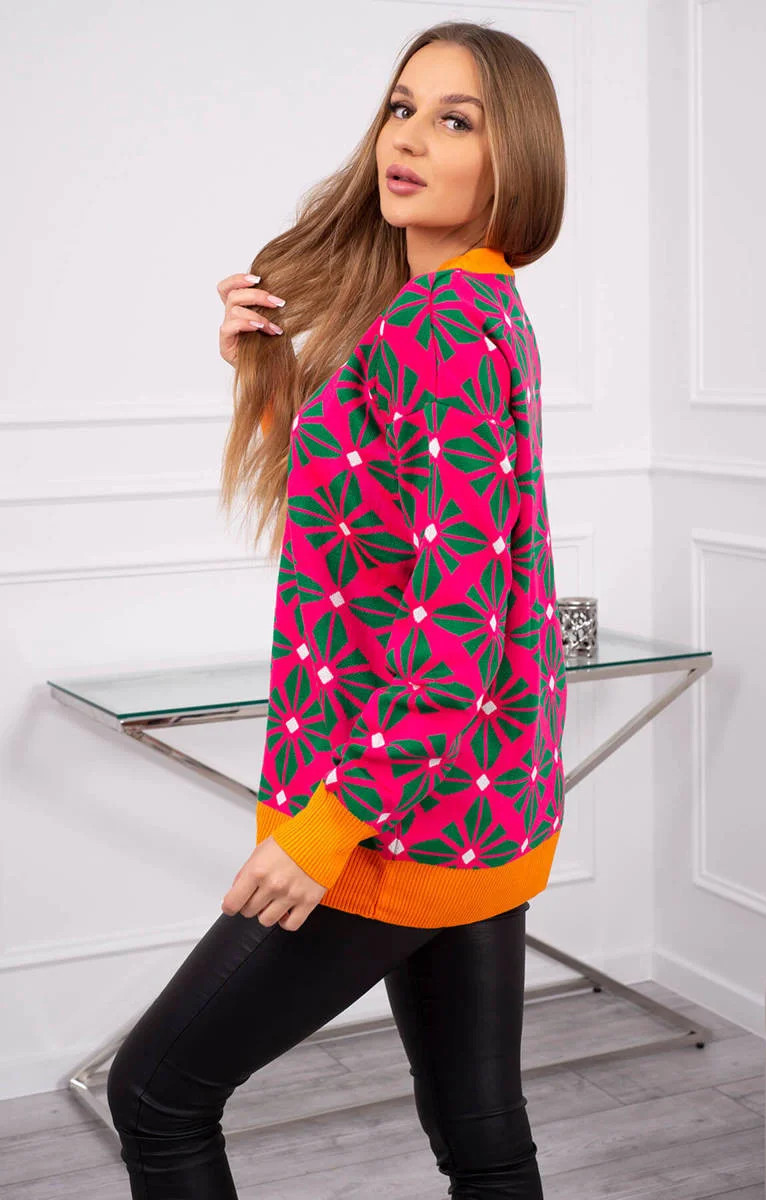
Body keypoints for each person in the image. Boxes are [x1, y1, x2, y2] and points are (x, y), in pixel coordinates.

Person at [106, 18, 568, 1199]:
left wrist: (329, 823)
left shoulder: (442, 330)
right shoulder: (471, 311)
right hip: (472, 803)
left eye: (454, 121)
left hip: (393, 810)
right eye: (401, 108)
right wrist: (266, 374)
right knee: (481, 1137)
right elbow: (364, 516)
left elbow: (455, 626)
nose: (406, 139)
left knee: (154, 1095)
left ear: (510, 160)